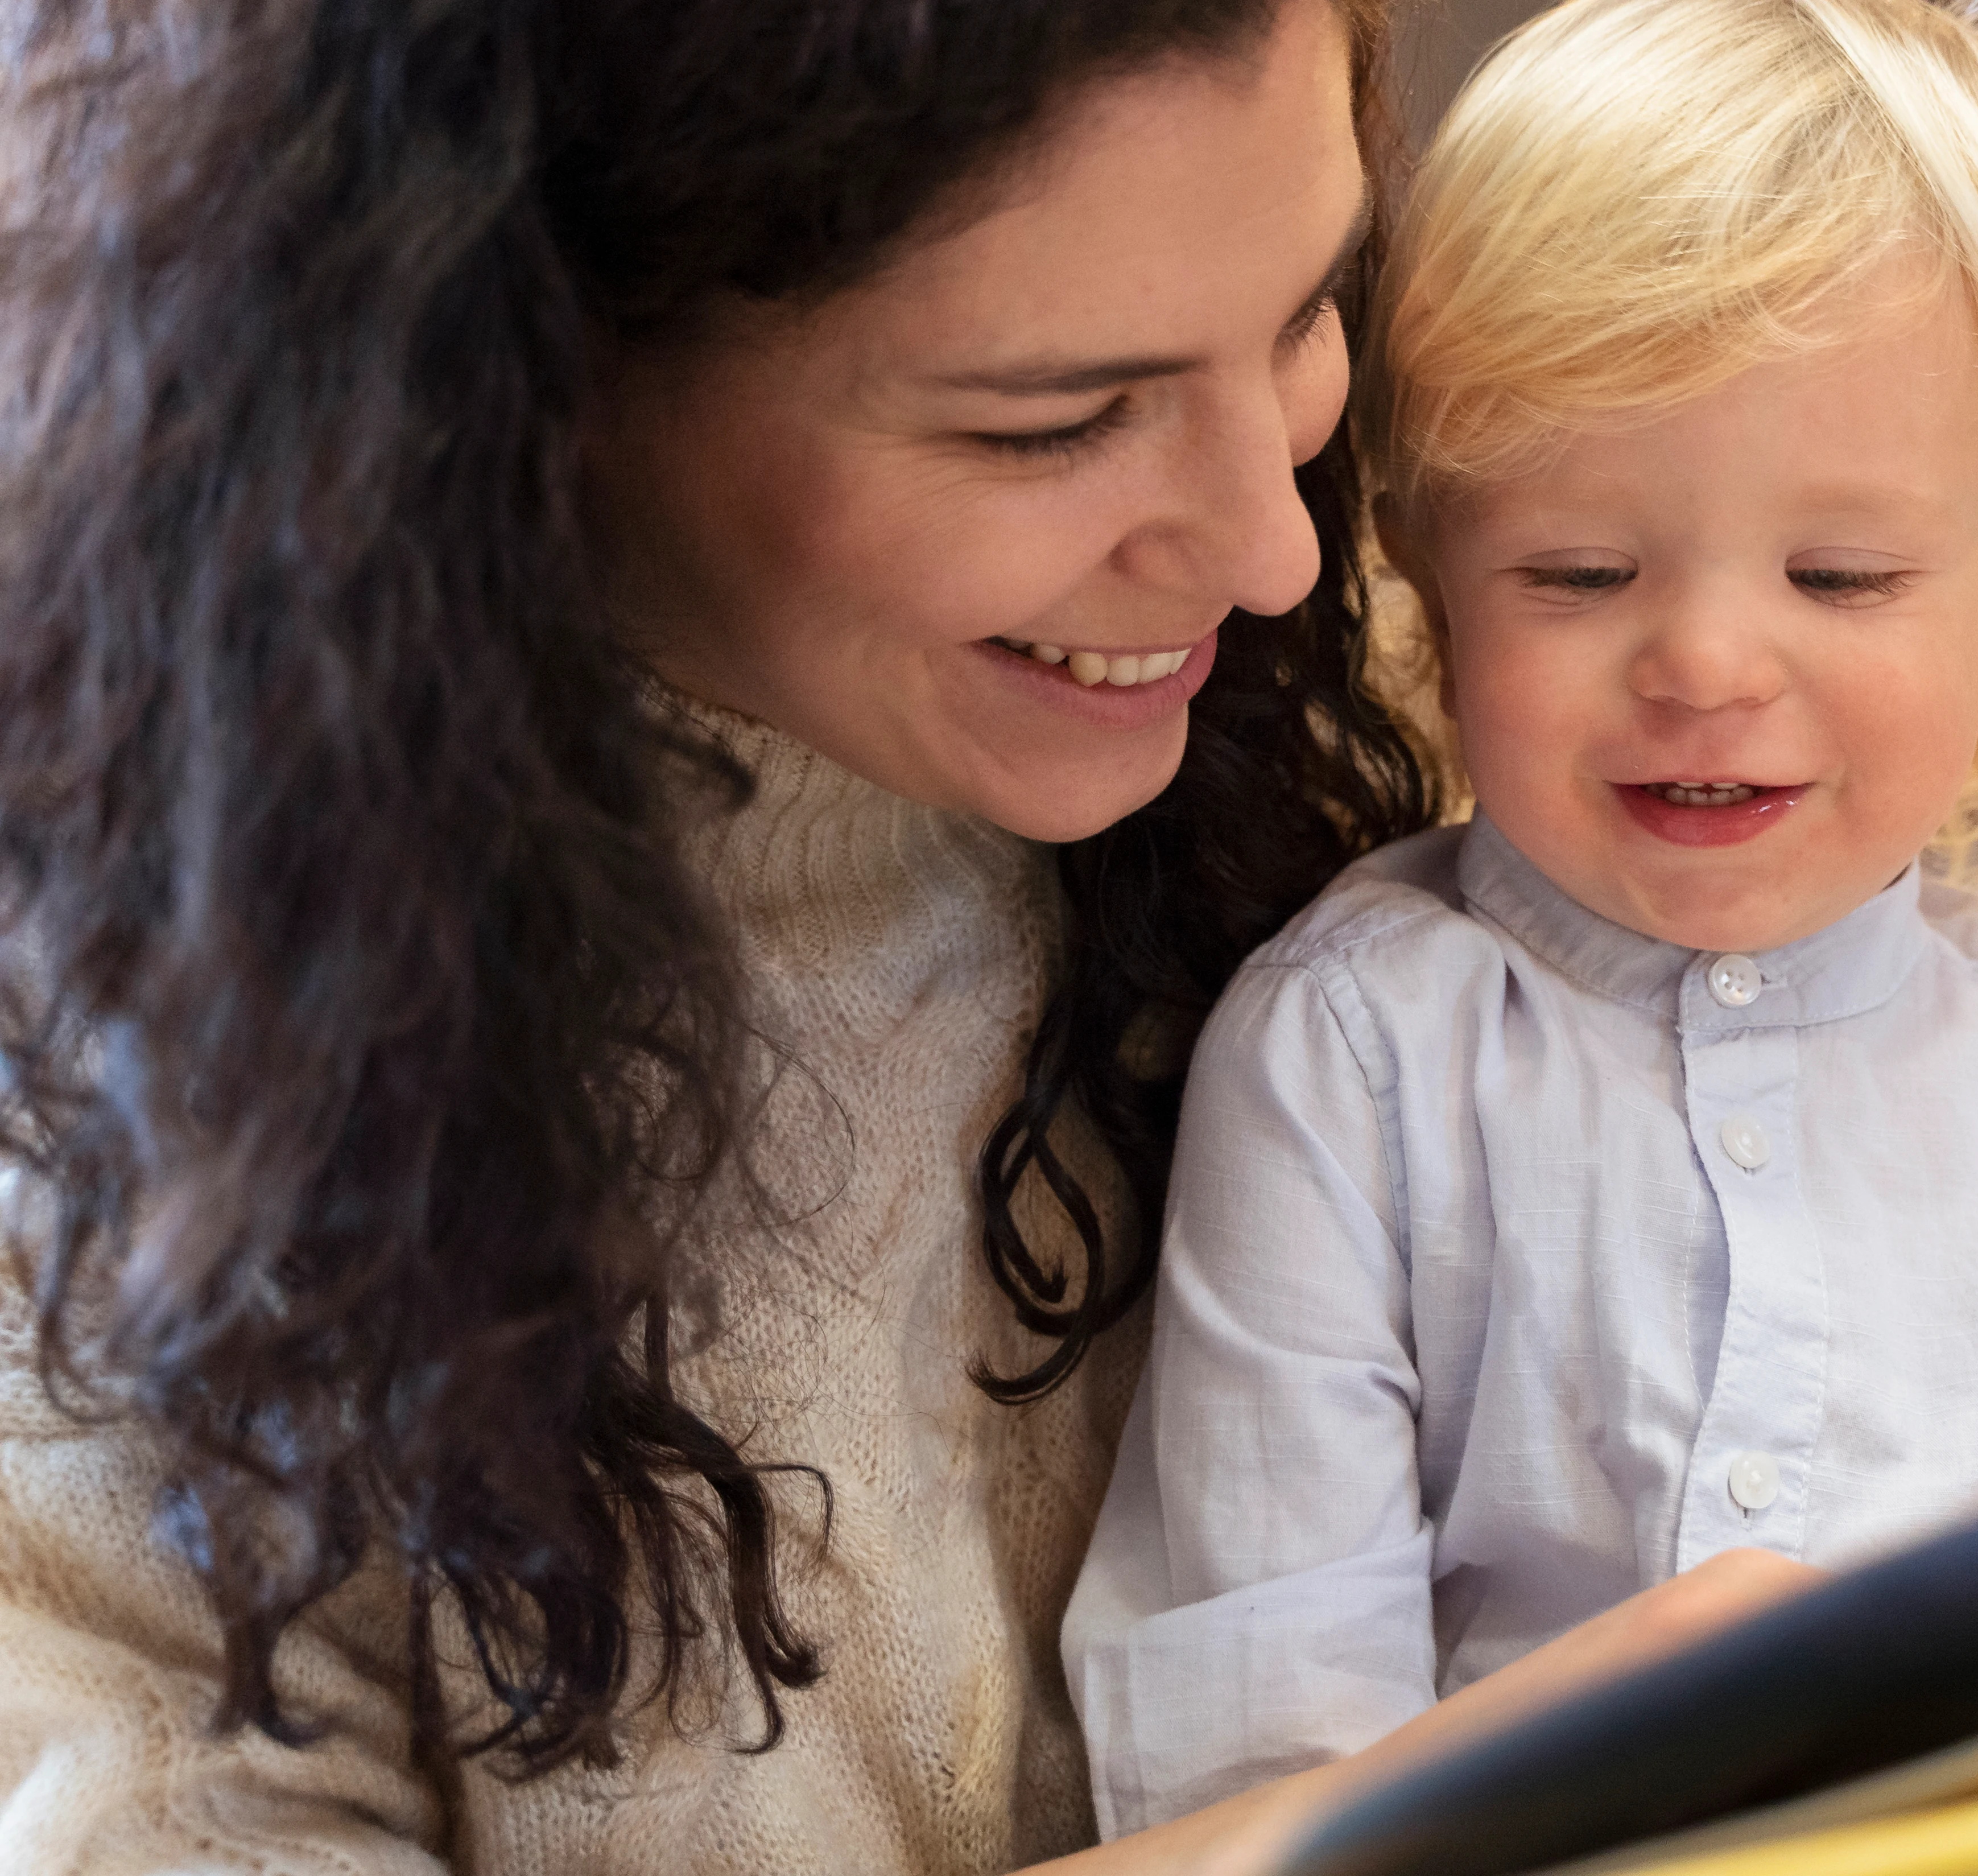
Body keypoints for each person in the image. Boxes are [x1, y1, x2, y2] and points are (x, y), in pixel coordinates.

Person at [0, 3, 1810, 1871]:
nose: (1275, 550)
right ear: (522, 368)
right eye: (1058, 422)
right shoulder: (110, 1079)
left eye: (1296, 317)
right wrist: (1360, 1836)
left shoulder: (1394, 747)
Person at [1064, 0, 1978, 1833]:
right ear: (1431, 593)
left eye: (1839, 575)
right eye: (1578, 572)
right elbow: (1258, 1726)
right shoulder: (1350, 1052)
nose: (1703, 661)